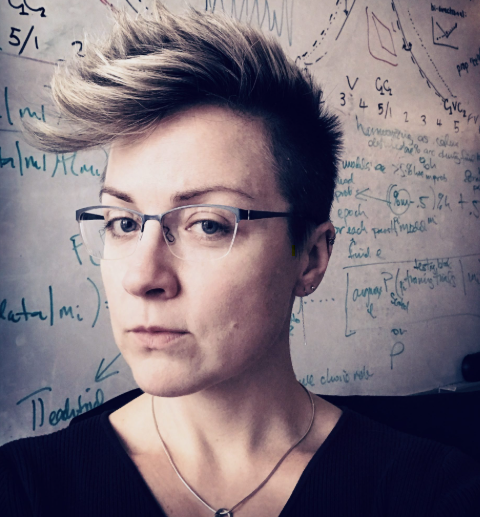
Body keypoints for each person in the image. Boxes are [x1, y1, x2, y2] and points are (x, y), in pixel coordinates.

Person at [1, 2, 480, 516]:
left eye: (208, 224)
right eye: (123, 223)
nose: (141, 277)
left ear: (310, 258)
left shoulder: (432, 494)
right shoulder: (25, 490)